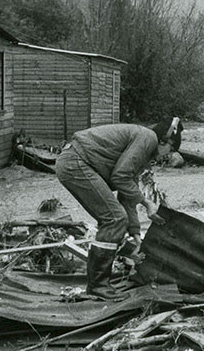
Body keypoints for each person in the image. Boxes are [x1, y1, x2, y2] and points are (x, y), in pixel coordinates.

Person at [55, 117, 182, 298]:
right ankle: (98, 286)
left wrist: (138, 239)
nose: (167, 156)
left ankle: (98, 284)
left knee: (114, 218)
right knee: (114, 219)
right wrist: (147, 203)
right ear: (164, 140)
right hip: (76, 161)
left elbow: (127, 197)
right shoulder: (148, 138)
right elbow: (120, 177)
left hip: (75, 162)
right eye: (170, 149)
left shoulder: (144, 151)